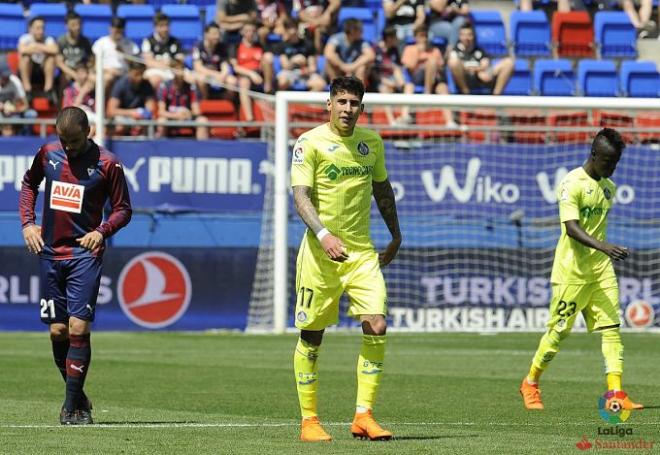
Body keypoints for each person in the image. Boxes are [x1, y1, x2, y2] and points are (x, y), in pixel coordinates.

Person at [290, 76, 402, 442]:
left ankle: (363, 416)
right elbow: (301, 196)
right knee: (313, 335)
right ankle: (309, 421)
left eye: (354, 103)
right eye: (341, 102)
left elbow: (382, 189)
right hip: (320, 256)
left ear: (362, 108)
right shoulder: (310, 144)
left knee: (377, 324)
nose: (348, 109)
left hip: (362, 253)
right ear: (329, 105)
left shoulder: (371, 143)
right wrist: (323, 235)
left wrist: (396, 235)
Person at [19, 106, 132, 425]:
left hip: (84, 254)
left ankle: (71, 408)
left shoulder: (109, 164)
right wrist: (28, 223)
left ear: (89, 133)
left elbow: (123, 209)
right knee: (57, 331)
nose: (67, 148)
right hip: (51, 252)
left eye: (74, 142)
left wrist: (101, 231)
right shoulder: (47, 153)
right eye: (63, 141)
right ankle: (77, 394)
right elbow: (29, 185)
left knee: (78, 327)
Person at [519, 128, 643, 412]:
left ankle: (616, 393)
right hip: (571, 272)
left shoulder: (609, 188)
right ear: (594, 154)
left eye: (616, 163)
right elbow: (571, 229)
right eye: (608, 162)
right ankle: (530, 383)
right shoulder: (571, 183)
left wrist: (602, 253)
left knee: (612, 329)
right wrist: (604, 246)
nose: (612, 168)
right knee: (558, 333)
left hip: (600, 271)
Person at [447, 22, 514, 96]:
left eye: (469, 35)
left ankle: (496, 97)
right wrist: (477, 71)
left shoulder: (479, 51)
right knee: (453, 62)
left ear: (473, 36)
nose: (466, 38)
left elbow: (485, 64)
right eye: (464, 35)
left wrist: (480, 71)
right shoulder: (455, 51)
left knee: (508, 63)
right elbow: (456, 65)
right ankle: (465, 94)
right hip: (466, 79)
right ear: (459, 36)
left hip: (481, 77)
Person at [269, 18, 327, 92]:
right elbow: (285, 66)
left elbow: (312, 67)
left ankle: (306, 102)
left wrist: (307, 70)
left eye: (294, 27)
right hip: (289, 72)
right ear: (285, 30)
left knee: (320, 84)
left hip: (305, 73)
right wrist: (293, 61)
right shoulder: (282, 45)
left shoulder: (307, 44)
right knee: (282, 82)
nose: (292, 31)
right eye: (289, 28)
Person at [156, 59, 209, 140]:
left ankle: (202, 150)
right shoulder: (164, 86)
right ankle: (159, 149)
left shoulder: (191, 87)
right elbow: (161, 111)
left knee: (203, 121)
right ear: (171, 71)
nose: (179, 73)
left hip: (187, 117)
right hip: (171, 117)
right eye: (176, 69)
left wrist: (188, 114)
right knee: (161, 121)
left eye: (181, 69)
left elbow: (197, 110)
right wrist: (175, 116)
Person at [106, 61, 157, 136]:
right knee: (120, 126)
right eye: (136, 74)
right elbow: (111, 111)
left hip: (140, 119)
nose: (139, 78)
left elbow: (151, 108)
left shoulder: (147, 85)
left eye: (141, 74)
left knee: (149, 124)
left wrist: (142, 116)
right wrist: (132, 113)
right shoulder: (120, 85)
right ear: (129, 72)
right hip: (123, 118)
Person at [92, 18, 140, 95]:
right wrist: (108, 71)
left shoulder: (130, 44)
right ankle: (102, 105)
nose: (117, 31)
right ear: (110, 28)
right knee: (108, 79)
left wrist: (124, 53)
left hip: (125, 74)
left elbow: (135, 65)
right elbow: (94, 65)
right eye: (115, 28)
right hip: (106, 73)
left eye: (119, 28)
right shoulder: (101, 43)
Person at [192, 22, 237, 100]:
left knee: (232, 81)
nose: (217, 36)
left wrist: (223, 75)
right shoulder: (198, 47)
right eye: (214, 34)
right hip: (205, 74)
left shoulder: (222, 47)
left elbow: (225, 66)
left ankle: (225, 103)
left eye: (218, 34)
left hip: (219, 75)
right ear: (206, 34)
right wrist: (215, 75)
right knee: (201, 79)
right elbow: (198, 67)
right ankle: (205, 101)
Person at [323, 19, 375, 85]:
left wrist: (352, 66)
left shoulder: (361, 42)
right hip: (338, 70)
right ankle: (336, 87)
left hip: (353, 70)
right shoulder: (336, 38)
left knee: (362, 67)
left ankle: (357, 90)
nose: (363, 32)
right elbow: (328, 54)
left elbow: (371, 55)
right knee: (330, 61)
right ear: (352, 31)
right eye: (361, 30)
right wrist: (342, 66)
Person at [18, 16, 58, 102]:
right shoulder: (25, 38)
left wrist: (35, 46)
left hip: (43, 72)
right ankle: (27, 90)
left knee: (51, 59)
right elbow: (22, 50)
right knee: (25, 58)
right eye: (38, 28)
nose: (41, 31)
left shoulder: (48, 39)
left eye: (42, 28)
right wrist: (44, 48)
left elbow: (55, 50)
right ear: (31, 29)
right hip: (29, 72)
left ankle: (48, 90)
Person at [141, 12, 184, 90]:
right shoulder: (148, 41)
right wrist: (165, 63)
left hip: (172, 70)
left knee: (182, 75)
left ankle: (177, 100)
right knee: (154, 79)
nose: (165, 29)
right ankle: (152, 101)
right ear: (155, 27)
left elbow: (180, 60)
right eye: (162, 26)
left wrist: (169, 62)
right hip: (155, 70)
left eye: (167, 25)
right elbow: (149, 63)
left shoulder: (176, 41)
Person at [56, 12, 94, 95]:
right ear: (66, 25)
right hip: (68, 72)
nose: (77, 27)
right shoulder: (61, 41)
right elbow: (59, 63)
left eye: (79, 24)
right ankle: (61, 106)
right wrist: (74, 75)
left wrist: (87, 73)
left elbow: (91, 61)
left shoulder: (86, 42)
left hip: (83, 71)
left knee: (93, 79)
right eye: (73, 25)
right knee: (64, 79)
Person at [0, 59, 36, 136]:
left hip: (14, 113)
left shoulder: (15, 81)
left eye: (8, 76)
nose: (7, 78)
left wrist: (14, 109)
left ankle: (24, 140)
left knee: (31, 114)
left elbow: (25, 105)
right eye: (4, 76)